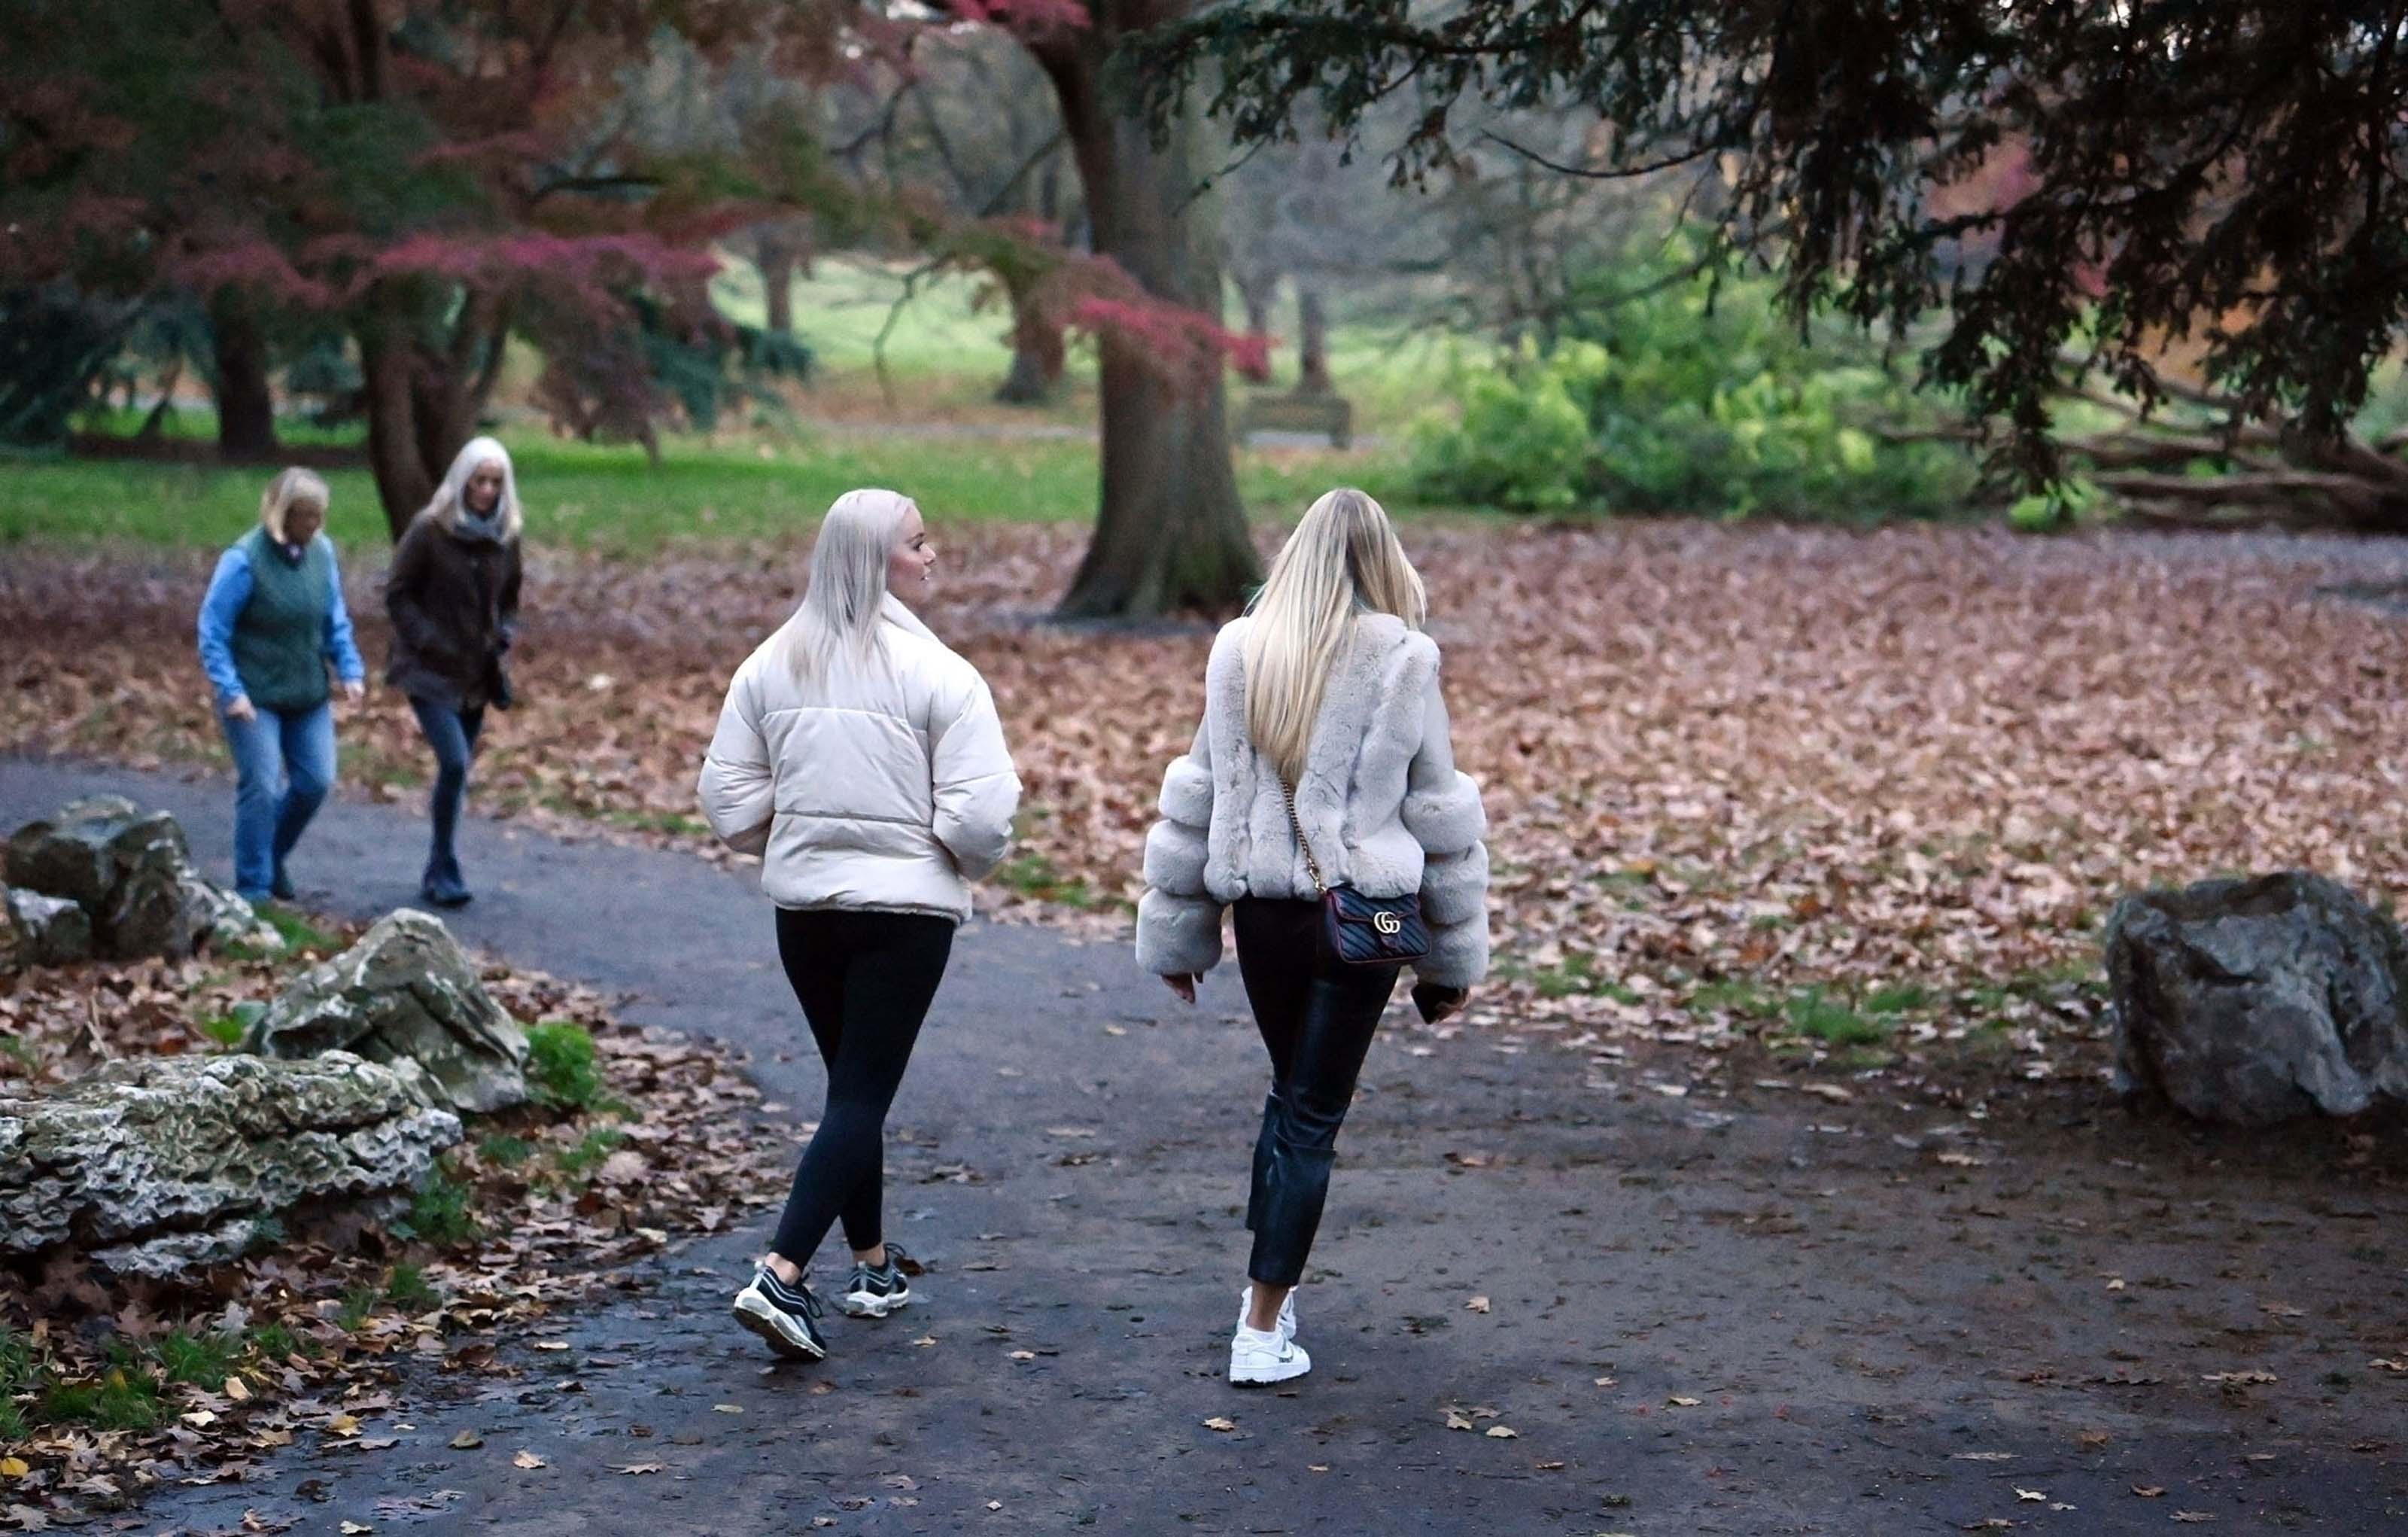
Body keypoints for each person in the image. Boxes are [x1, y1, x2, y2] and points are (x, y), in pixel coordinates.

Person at [1137, 487, 1491, 1388]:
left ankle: (1267, 1300)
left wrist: (1182, 935)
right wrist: (1446, 964)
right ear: (1381, 559)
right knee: (1311, 1115)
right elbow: (1438, 812)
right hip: (1358, 919)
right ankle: (1259, 1327)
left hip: (1263, 918)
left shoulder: (1239, 650)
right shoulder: (1404, 659)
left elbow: (1199, 792)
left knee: (1290, 1096)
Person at [698, 488, 1020, 1361]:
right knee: (862, 1094)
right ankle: (781, 1272)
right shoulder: (944, 676)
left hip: (806, 912)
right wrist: (944, 853)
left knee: (851, 1087)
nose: (933, 553)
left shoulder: (770, 663)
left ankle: (873, 1266)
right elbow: (980, 819)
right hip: (903, 917)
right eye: (918, 543)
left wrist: (797, 831)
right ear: (879, 562)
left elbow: (725, 798)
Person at [196, 467, 366, 903]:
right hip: (253, 698)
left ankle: (271, 856)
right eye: (305, 517)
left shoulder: (322, 555)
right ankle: (253, 889)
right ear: (282, 514)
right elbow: (213, 629)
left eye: (319, 517)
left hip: (306, 692)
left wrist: (349, 668)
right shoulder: (244, 561)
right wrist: (230, 690)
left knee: (316, 780)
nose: (314, 526)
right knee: (262, 784)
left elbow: (334, 618)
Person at [385, 436, 524, 909]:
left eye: (495, 483)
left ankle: (438, 866)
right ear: (462, 480)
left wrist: (504, 631)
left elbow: (510, 600)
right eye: (479, 480)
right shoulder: (429, 530)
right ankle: (443, 865)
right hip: (427, 671)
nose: (486, 491)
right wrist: (426, 638)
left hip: (475, 674)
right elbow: (397, 593)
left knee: (459, 770)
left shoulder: (505, 536)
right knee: (454, 762)